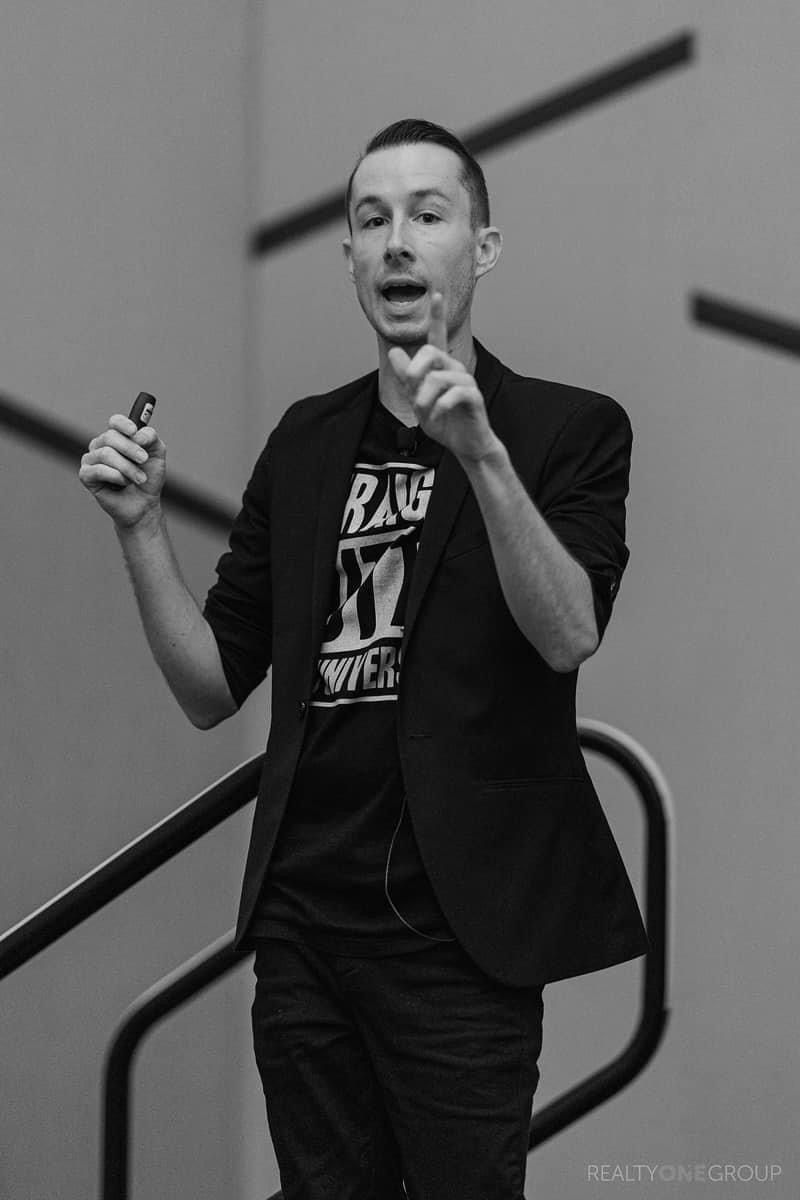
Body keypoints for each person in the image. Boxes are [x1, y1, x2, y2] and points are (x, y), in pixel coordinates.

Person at [79, 118, 648, 1200]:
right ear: (348, 257)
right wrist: (141, 527)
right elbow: (210, 686)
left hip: (459, 933)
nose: (397, 241)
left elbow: (568, 631)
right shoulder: (305, 442)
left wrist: (481, 455)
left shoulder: (566, 430)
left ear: (481, 247)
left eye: (427, 215)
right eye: (371, 220)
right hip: (305, 921)